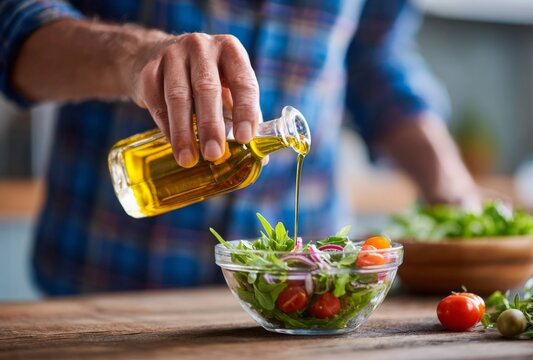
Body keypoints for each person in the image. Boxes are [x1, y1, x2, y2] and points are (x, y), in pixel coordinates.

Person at [0, 0, 482, 295]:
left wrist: (452, 189)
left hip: (305, 288)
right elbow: (12, 23)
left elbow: (375, 56)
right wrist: (133, 58)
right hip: (108, 281)